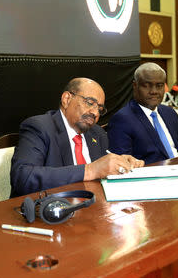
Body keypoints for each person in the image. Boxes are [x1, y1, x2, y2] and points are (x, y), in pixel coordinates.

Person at [10, 78, 144, 197]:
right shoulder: (39, 127)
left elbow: (102, 171)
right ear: (67, 99)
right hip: (49, 211)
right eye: (90, 103)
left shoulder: (97, 133)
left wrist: (120, 164)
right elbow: (23, 177)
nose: (95, 113)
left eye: (100, 109)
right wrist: (90, 170)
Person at [107, 63, 178, 165]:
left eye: (159, 86)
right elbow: (122, 164)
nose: (154, 91)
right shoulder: (122, 119)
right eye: (147, 85)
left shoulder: (170, 113)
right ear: (135, 86)